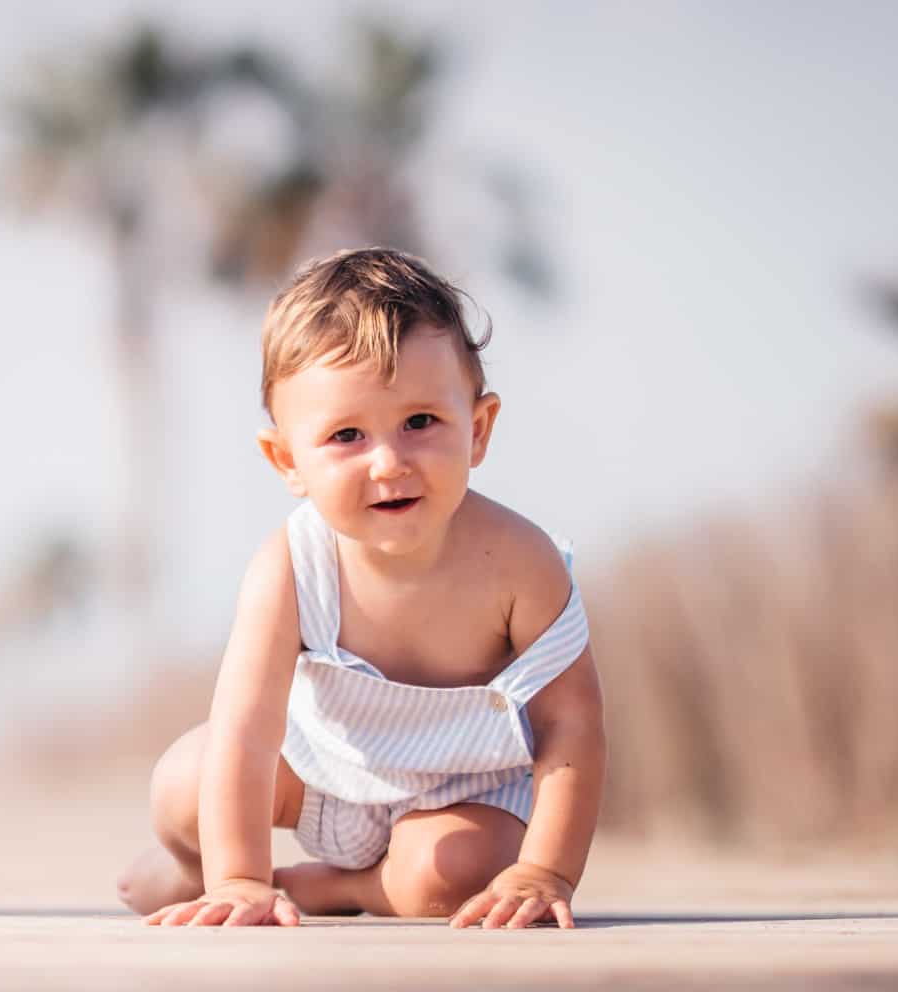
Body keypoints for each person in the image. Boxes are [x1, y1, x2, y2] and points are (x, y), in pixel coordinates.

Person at [116, 246, 606, 929]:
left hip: (456, 797)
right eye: (347, 434)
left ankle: (333, 889)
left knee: (458, 877)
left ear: (479, 427)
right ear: (288, 460)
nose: (389, 461)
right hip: (319, 778)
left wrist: (543, 870)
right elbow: (246, 731)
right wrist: (238, 876)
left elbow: (571, 725)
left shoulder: (521, 563)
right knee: (183, 782)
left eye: (421, 423)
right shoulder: (291, 565)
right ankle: (207, 877)